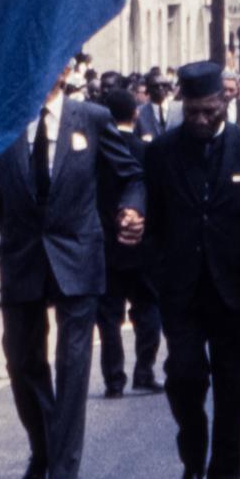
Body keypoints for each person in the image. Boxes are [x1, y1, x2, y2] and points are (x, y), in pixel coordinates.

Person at [0, 74, 145, 479]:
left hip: (78, 253)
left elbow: (130, 176)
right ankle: (44, 449)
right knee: (22, 361)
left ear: (65, 68)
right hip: (24, 256)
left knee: (72, 366)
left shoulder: (91, 118)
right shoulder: (6, 121)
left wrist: (132, 209)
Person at [144, 62, 240, 479]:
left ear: (225, 103)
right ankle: (192, 459)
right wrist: (156, 272)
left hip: (235, 287)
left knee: (234, 388)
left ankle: (225, 478)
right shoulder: (160, 152)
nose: (200, 120)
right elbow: (153, 219)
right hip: (182, 290)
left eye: (209, 112)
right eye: (192, 111)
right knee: (185, 377)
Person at [93, 82, 165, 395]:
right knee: (147, 308)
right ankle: (144, 371)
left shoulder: (95, 153)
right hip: (142, 243)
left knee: (109, 316)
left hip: (105, 244)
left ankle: (113, 379)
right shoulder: (147, 151)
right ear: (135, 114)